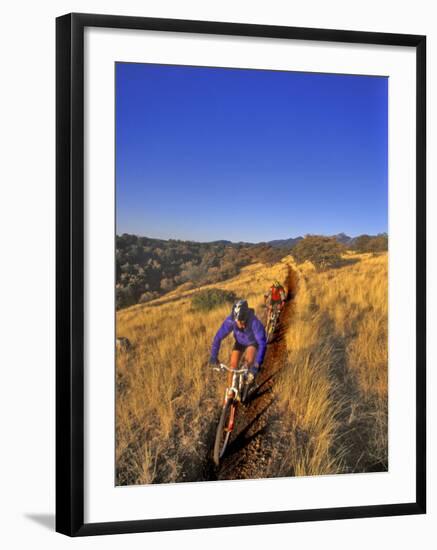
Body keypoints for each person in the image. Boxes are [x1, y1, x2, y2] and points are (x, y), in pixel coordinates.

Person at [209, 299, 267, 386]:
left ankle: (247, 384)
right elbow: (218, 337)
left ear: (247, 316)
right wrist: (213, 356)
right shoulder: (231, 321)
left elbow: (262, 343)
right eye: (237, 321)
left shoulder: (254, 322)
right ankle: (229, 392)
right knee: (232, 367)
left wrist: (257, 364)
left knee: (248, 363)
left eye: (242, 320)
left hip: (252, 343)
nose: (240, 324)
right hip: (239, 342)